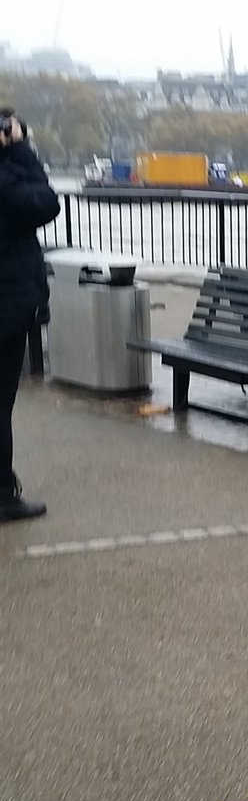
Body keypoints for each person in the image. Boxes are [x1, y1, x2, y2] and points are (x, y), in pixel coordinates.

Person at [0, 109, 60, 522]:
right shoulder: (8, 180)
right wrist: (20, 148)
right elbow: (46, 202)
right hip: (7, 303)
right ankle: (3, 494)